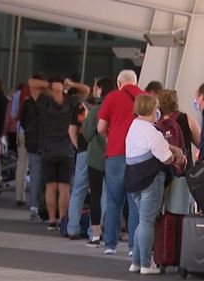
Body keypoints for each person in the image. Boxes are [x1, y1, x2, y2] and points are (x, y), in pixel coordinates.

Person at [125, 94, 185, 275]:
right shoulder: (152, 131)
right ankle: (145, 264)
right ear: (152, 109)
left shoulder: (134, 126)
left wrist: (168, 148)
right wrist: (176, 155)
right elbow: (166, 158)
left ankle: (135, 262)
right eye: (157, 107)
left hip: (133, 179)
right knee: (147, 222)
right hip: (151, 180)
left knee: (141, 222)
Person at [97, 70, 143, 255]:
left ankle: (110, 245)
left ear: (118, 82)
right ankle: (133, 247)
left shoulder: (112, 97)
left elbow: (100, 127)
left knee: (114, 201)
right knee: (134, 202)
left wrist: (111, 135)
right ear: (136, 82)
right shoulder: (145, 97)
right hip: (138, 156)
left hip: (115, 152)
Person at [32, 77, 76, 231]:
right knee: (64, 188)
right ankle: (63, 219)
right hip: (66, 150)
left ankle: (52, 220)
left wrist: (51, 85)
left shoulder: (44, 103)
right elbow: (86, 90)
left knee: (50, 186)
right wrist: (70, 85)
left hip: (48, 149)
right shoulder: (70, 103)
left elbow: (32, 83)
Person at [82, 77, 116, 247]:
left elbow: (87, 134)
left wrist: (88, 117)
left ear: (101, 89)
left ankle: (95, 235)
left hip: (95, 159)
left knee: (95, 196)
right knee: (115, 198)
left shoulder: (96, 110)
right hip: (115, 158)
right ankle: (113, 234)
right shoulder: (117, 107)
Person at [65, 78, 93, 238]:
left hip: (83, 150)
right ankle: (95, 230)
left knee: (78, 190)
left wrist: (78, 147)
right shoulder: (105, 107)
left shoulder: (81, 107)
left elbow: (71, 130)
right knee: (100, 193)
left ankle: (72, 228)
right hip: (103, 153)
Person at [20, 74, 47, 218]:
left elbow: (23, 121)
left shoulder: (28, 103)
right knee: (42, 177)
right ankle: (38, 206)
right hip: (43, 143)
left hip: (33, 142)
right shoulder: (48, 103)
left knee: (36, 175)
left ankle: (35, 206)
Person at [157, 89, 201, 169]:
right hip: (184, 169)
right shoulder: (186, 119)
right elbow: (201, 143)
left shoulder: (155, 122)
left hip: (162, 171)